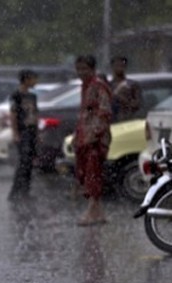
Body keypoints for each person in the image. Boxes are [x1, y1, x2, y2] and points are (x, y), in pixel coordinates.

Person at [73, 55, 113, 226]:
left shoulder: (98, 86)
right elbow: (84, 114)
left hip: (96, 139)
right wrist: (78, 134)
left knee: (93, 173)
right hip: (84, 137)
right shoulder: (85, 87)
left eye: (84, 69)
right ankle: (99, 213)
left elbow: (104, 112)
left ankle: (91, 212)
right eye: (78, 69)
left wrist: (94, 134)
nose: (81, 72)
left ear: (93, 69)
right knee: (86, 173)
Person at [8, 69, 39, 201]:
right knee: (23, 162)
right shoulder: (16, 95)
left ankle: (25, 191)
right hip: (23, 131)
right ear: (26, 79)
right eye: (33, 78)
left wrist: (37, 133)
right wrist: (15, 133)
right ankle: (15, 192)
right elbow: (13, 115)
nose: (35, 81)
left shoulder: (33, 96)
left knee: (30, 162)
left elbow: (36, 114)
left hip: (32, 131)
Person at [109, 56, 143, 123]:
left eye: (122, 66)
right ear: (112, 67)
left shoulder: (132, 85)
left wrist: (124, 100)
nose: (120, 68)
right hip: (111, 122)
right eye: (117, 65)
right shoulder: (107, 85)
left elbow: (138, 104)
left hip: (127, 121)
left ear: (125, 67)